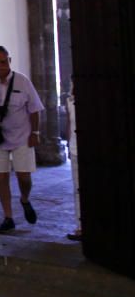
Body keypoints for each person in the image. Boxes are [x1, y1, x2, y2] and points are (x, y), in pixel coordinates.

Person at [0, 45, 44, 234]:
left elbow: (35, 108)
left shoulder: (23, 82)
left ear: (9, 60)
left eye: (3, 61)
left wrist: (35, 133)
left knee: (24, 176)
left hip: (22, 135)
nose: (0, 66)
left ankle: (24, 199)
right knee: (2, 177)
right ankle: (8, 217)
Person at [66, 78, 81, 241]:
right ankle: (80, 225)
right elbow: (69, 123)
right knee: (77, 189)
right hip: (75, 148)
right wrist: (69, 145)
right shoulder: (69, 101)